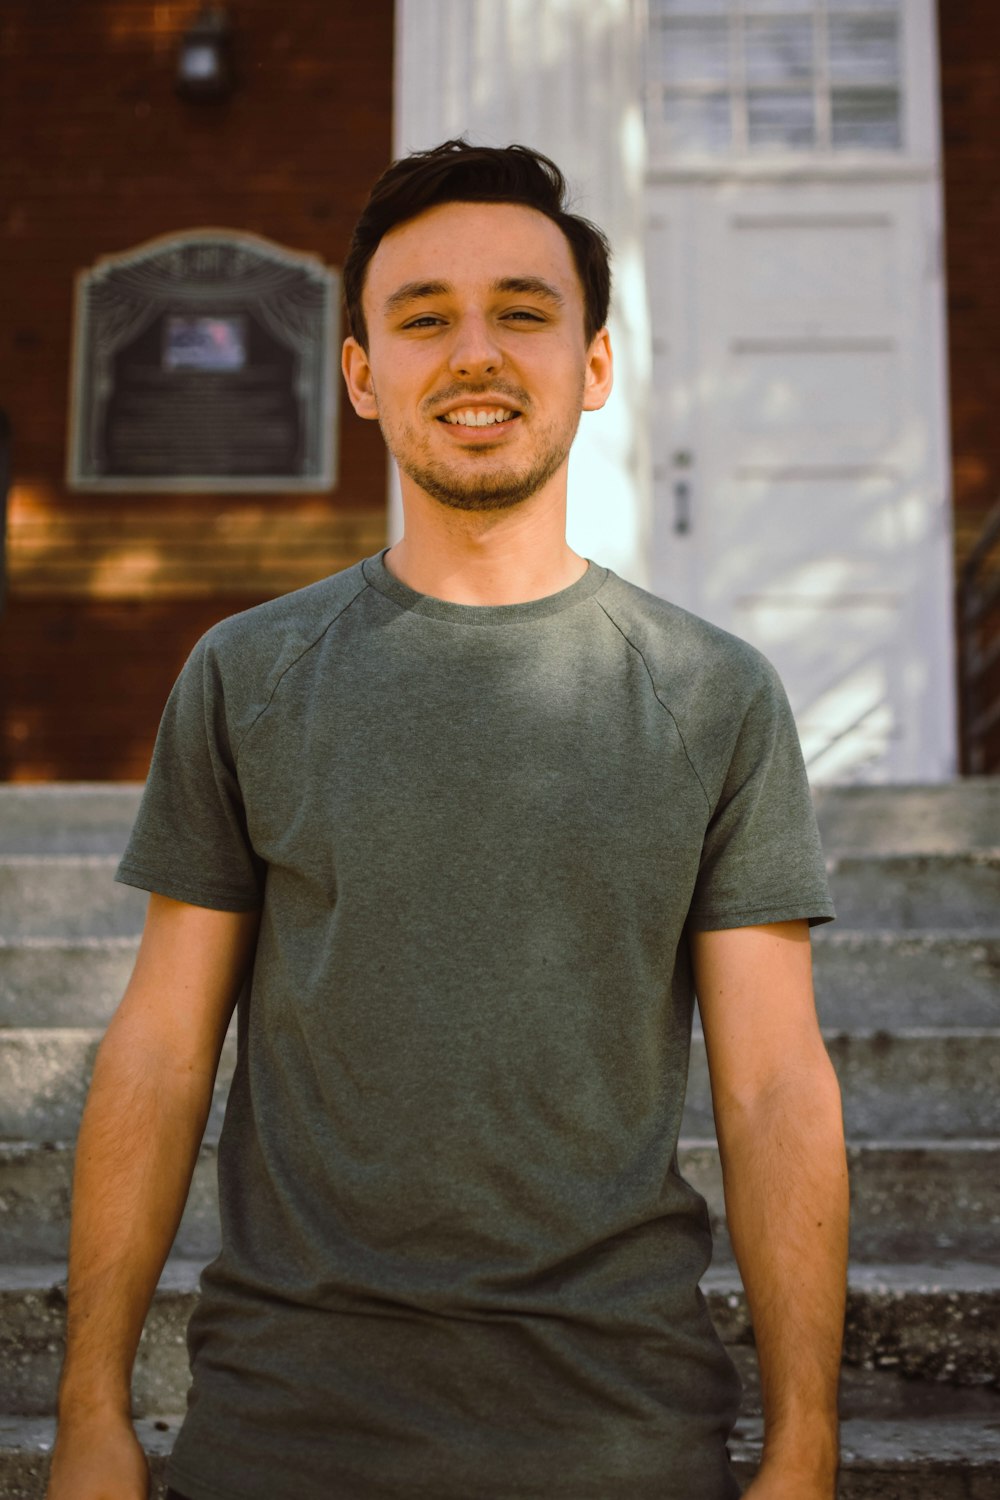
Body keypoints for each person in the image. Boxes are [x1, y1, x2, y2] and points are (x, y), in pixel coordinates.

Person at [48, 140, 848, 1500]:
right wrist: (90, 1412)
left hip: (623, 1438)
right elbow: (163, 1049)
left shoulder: (715, 695)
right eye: (423, 319)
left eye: (523, 314)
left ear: (595, 367)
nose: (474, 355)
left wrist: (807, 1445)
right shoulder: (247, 676)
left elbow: (773, 1081)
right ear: (362, 373)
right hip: (284, 1436)